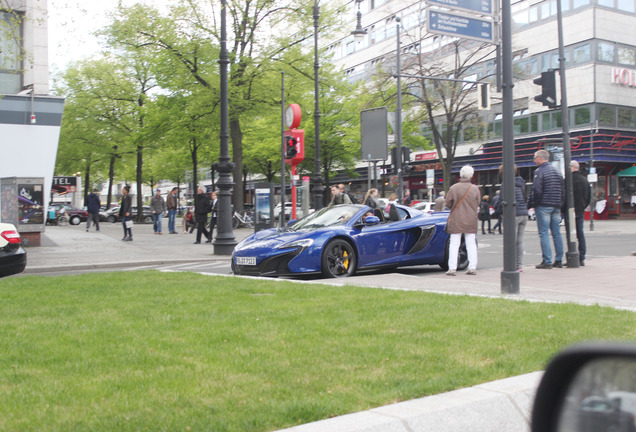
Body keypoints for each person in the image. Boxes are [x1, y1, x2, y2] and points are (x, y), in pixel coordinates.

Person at [528, 149, 564, 269]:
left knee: (543, 233)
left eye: (535, 158)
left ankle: (547, 261)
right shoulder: (557, 171)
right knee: (556, 233)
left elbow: (537, 190)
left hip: (543, 204)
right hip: (556, 205)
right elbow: (562, 190)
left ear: (540, 158)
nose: (534, 160)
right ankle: (559, 259)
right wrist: (560, 203)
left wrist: (534, 203)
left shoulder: (539, 171)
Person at [445, 165, 481, 276]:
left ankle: (452, 268)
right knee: (471, 243)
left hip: (457, 218)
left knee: (454, 243)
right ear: (471, 176)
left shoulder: (453, 188)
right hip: (471, 218)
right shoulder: (475, 188)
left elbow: (448, 203)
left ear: (461, 175)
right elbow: (478, 202)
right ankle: (472, 267)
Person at [571, 160, 591, 266]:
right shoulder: (584, 180)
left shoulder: (569, 180)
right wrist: (583, 206)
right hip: (580, 210)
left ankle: (572, 254)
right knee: (580, 233)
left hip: (571, 210)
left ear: (573, 167)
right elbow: (589, 197)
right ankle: (582, 256)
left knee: (571, 234)